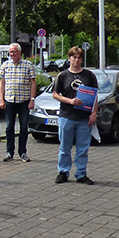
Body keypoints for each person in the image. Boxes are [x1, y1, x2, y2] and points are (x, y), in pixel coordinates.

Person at [52, 47, 98, 185]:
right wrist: (70, 101)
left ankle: (81, 174)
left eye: (79, 57)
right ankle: (63, 172)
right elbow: (55, 94)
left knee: (83, 148)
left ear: (82, 59)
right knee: (64, 147)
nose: (76, 60)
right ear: (69, 58)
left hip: (84, 118)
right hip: (66, 116)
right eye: (74, 57)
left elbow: (95, 95)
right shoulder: (62, 76)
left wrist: (94, 113)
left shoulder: (89, 76)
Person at [0, 43, 36, 162]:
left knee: (24, 128)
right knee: (9, 128)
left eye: (14, 51)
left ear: (20, 52)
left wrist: (32, 99)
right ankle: (9, 152)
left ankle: (23, 152)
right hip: (10, 100)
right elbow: (2, 83)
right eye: (10, 52)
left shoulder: (28, 65)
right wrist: (1, 99)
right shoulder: (5, 65)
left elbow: (33, 83)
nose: (12, 54)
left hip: (24, 101)